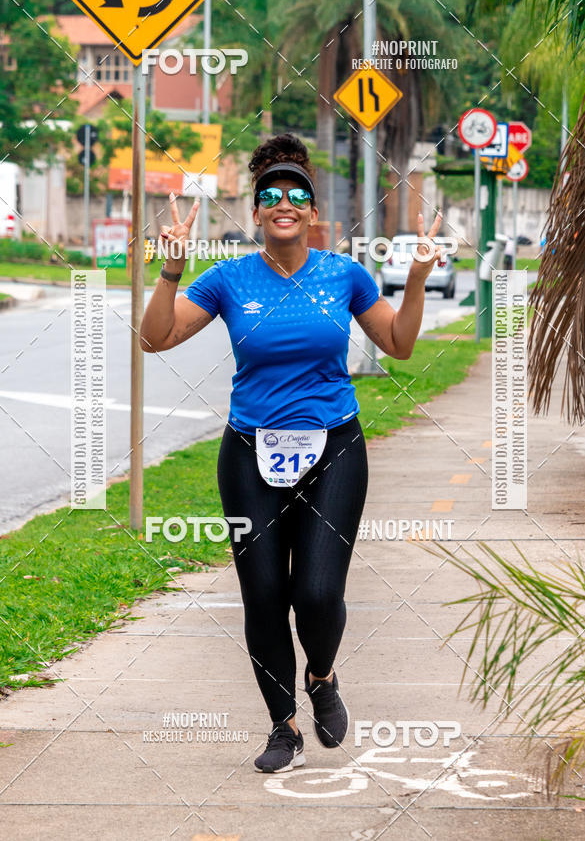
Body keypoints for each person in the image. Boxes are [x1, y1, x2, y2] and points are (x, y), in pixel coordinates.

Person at [139, 133, 443, 774]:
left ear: (312, 213)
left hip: (335, 445)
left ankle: (324, 677)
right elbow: (156, 338)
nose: (283, 203)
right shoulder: (227, 279)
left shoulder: (344, 274)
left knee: (319, 589)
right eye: (270, 195)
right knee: (264, 594)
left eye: (296, 195)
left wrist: (415, 279)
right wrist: (170, 269)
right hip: (250, 452)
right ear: (255, 213)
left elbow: (400, 344)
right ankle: (283, 728)